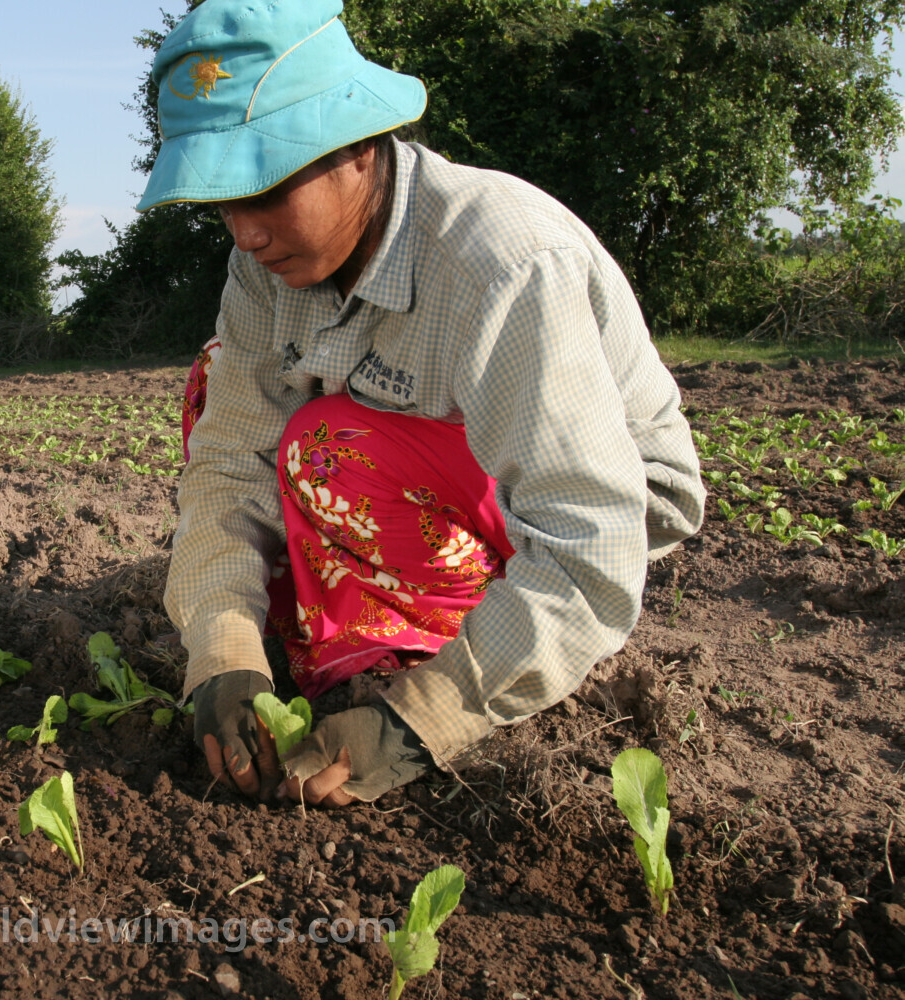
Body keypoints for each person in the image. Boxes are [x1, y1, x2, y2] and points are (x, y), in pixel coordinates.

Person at [142, 0, 706, 807]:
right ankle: (347, 624)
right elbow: (232, 458)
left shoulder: (502, 264)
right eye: (222, 203)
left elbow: (590, 529)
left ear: (360, 150)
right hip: (435, 484)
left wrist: (423, 719)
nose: (247, 233)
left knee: (328, 445)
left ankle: (433, 647)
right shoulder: (263, 275)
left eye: (265, 188)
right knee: (217, 388)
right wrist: (224, 651)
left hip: (588, 519)